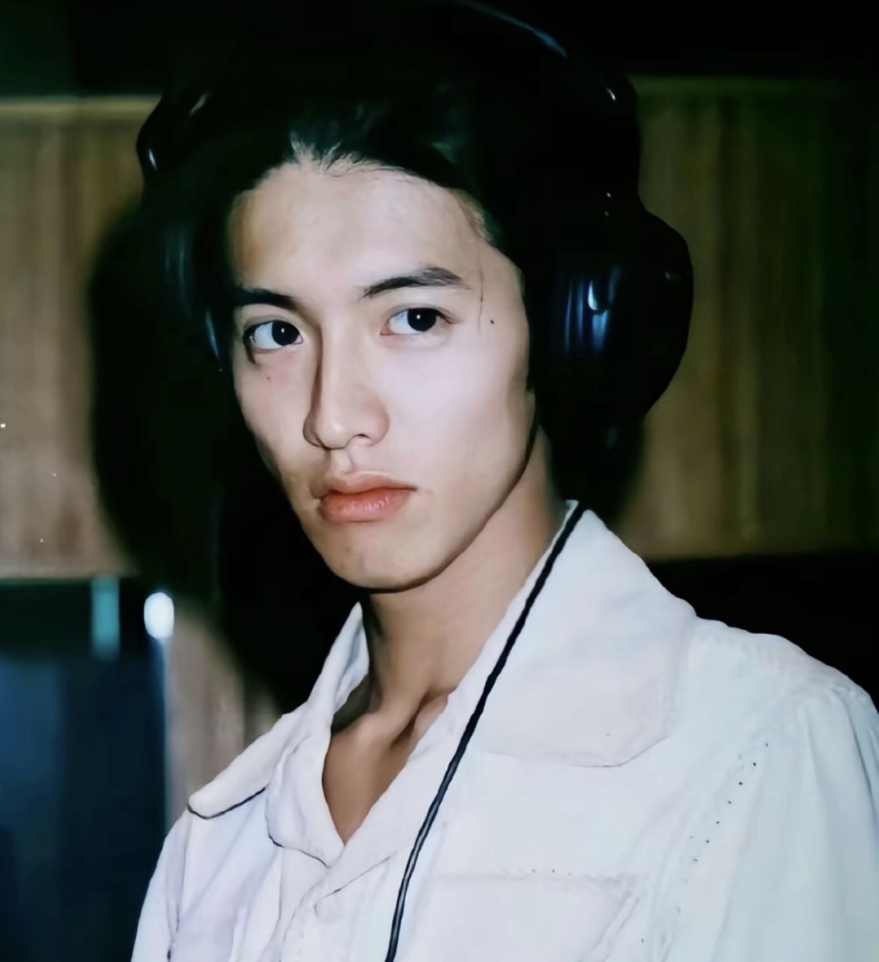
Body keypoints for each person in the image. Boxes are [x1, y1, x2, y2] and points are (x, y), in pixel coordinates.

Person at [90, 1, 879, 959]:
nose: (332, 417)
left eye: (414, 318)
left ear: (575, 326)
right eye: (278, 333)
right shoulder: (219, 848)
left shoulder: (756, 750)